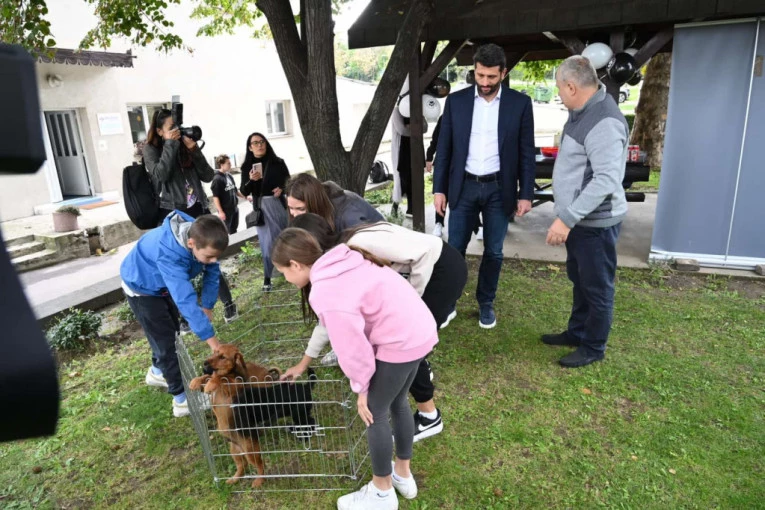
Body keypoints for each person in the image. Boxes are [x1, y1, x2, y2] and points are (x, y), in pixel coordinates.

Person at [272, 228, 437, 510]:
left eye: (283, 273)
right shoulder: (345, 259)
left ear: (296, 265)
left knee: (374, 412)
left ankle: (382, 492)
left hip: (399, 340)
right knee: (398, 401)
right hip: (419, 329)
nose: (285, 279)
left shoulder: (325, 290)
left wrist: (362, 387)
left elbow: (352, 347)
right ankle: (402, 475)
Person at [282, 213, 467, 442]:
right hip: (428, 272)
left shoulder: (356, 248)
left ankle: (429, 416)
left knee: (406, 345)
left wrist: (411, 299)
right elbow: (329, 321)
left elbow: (424, 254)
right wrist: (303, 364)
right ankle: (414, 373)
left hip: (441, 270)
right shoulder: (339, 259)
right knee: (405, 345)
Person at [433, 43, 536, 329]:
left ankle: (486, 302)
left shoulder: (520, 104)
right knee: (455, 249)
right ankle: (449, 302)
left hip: (499, 189)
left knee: (494, 251)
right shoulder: (456, 102)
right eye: (480, 75)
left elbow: (527, 152)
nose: (485, 82)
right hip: (463, 186)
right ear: (474, 71)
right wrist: (439, 189)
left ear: (503, 73)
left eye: (491, 76)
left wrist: (526, 194)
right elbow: (444, 148)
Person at [543, 55, 629, 368]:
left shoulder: (604, 121)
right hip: (582, 221)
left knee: (597, 288)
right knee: (580, 280)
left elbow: (606, 179)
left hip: (595, 223)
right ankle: (577, 332)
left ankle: (593, 347)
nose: (559, 94)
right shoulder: (582, 111)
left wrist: (566, 219)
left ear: (571, 87)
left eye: (559, 88)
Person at [120, 213, 227, 417]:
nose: (213, 261)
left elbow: (212, 273)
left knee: (172, 332)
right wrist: (215, 345)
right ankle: (182, 400)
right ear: (191, 243)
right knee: (167, 344)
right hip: (141, 286)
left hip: (161, 285)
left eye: (216, 256)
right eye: (208, 257)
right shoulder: (170, 254)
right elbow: (185, 300)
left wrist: (207, 306)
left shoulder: (203, 235)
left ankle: (157, 372)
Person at [144, 109, 238, 323]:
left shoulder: (185, 144)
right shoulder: (151, 149)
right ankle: (185, 316)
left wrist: (193, 149)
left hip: (198, 209)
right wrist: (170, 145)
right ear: (159, 131)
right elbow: (161, 175)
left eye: (177, 126)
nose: (177, 131)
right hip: (173, 213)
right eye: (171, 128)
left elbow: (207, 175)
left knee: (210, 256)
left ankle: (228, 303)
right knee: (177, 265)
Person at [239, 132, 290, 292]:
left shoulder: (278, 162)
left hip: (279, 205)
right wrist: (251, 180)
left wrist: (282, 189)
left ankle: (290, 269)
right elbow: (244, 191)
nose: (259, 145)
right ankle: (268, 277)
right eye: (255, 143)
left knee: (285, 237)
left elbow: (288, 181)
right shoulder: (247, 166)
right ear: (250, 147)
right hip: (262, 208)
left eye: (262, 141)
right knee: (267, 243)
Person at [285, 173, 384, 231]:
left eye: (301, 209)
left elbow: (366, 249)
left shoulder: (348, 214)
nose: (294, 214)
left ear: (315, 203)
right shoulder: (314, 214)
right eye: (290, 208)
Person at [390, 106, 426, 217]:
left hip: (416, 149)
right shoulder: (397, 111)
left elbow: (425, 128)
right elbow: (402, 130)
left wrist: (410, 127)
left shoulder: (417, 109)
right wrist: (416, 128)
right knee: (403, 179)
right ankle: (395, 206)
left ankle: (411, 209)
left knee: (415, 178)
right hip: (402, 150)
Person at [211, 154, 251, 234]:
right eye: (228, 163)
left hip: (234, 208)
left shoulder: (229, 175)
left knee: (234, 229)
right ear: (222, 165)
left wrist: (246, 197)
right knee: (226, 231)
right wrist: (221, 212)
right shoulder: (217, 179)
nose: (231, 165)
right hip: (226, 211)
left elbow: (235, 191)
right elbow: (215, 197)